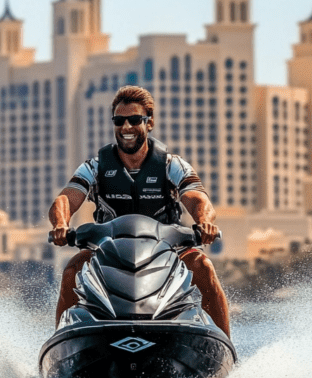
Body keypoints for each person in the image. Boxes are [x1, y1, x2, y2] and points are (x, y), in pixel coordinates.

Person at [48, 85, 231, 337]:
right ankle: (61, 347)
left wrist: (204, 222)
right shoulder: (96, 166)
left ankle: (224, 349)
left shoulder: (170, 164)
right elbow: (64, 201)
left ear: (149, 122)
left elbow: (198, 199)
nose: (126, 128)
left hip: (169, 251)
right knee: (71, 271)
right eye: (119, 120)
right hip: (107, 252)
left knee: (205, 268)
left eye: (135, 120)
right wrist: (61, 225)